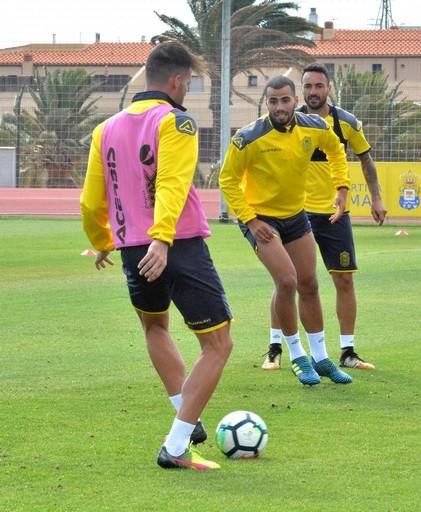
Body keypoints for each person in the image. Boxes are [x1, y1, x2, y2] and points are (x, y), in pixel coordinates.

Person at [80, 41, 233, 471]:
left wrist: (102, 240)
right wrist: (162, 239)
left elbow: (91, 201)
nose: (189, 92)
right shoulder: (176, 123)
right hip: (175, 244)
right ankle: (178, 444)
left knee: (155, 326)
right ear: (177, 81)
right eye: (190, 84)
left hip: (131, 248)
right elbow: (171, 183)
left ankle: (191, 418)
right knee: (218, 344)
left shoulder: (104, 129)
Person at [219, 75, 352, 387]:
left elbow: (336, 149)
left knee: (309, 284)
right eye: (273, 101)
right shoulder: (249, 137)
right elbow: (227, 180)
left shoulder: (315, 126)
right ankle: (297, 356)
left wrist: (342, 188)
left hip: (295, 216)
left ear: (295, 101)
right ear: (266, 104)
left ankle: (321, 358)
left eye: (285, 100)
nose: (279, 107)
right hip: (261, 220)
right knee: (287, 280)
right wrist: (251, 220)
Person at [262, 63, 387, 372]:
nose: (313, 92)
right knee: (286, 281)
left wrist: (377, 198)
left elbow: (366, 161)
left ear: (329, 88)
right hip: (295, 214)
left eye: (319, 86)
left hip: (334, 213)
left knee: (343, 279)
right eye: (308, 87)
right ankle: (275, 347)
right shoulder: (292, 122)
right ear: (301, 91)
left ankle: (347, 351)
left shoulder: (345, 123)